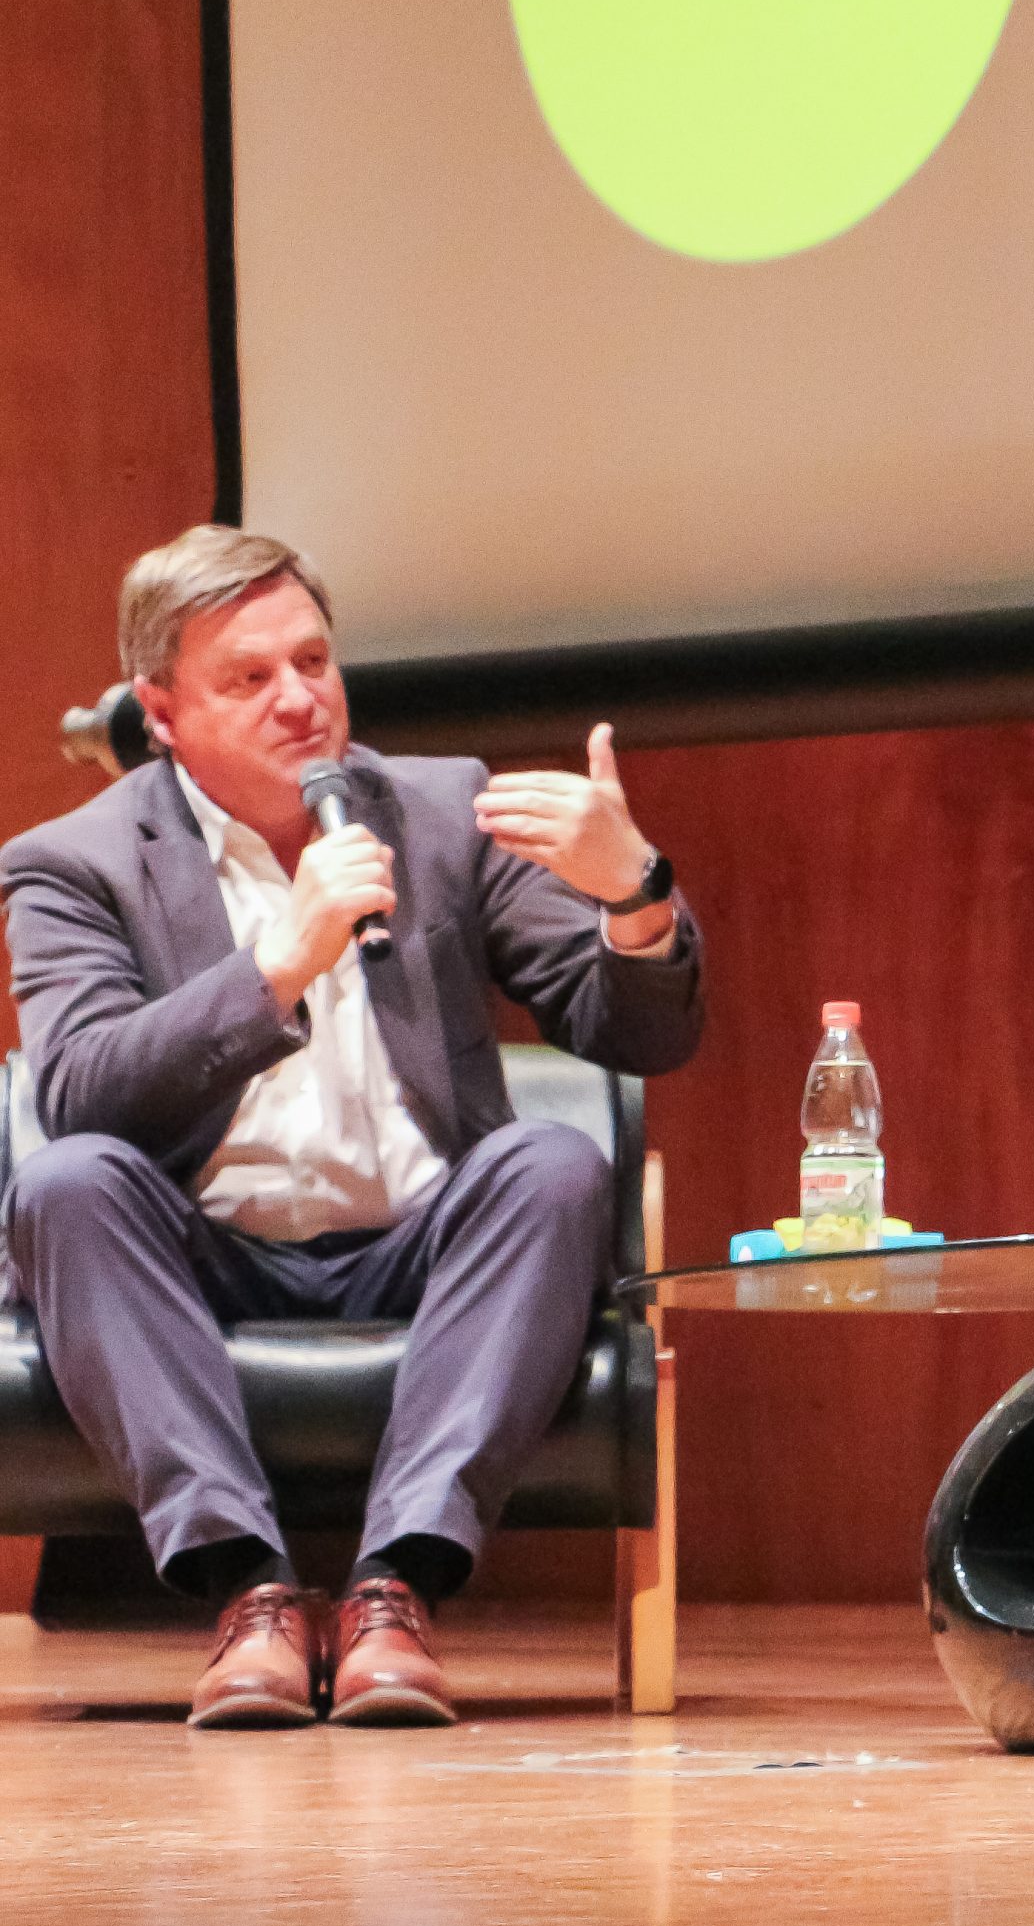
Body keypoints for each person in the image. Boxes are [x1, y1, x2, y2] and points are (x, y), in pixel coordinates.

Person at [0, 527, 705, 1730]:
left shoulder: (435, 810)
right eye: (250, 678)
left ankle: (395, 1591)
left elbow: (635, 1032)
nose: (300, 700)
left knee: (552, 1162)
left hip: (417, 1240)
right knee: (68, 1181)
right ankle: (250, 1597)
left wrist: (633, 893)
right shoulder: (72, 862)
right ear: (161, 711)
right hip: (199, 1254)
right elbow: (76, 1088)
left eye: (314, 661)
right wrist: (273, 970)